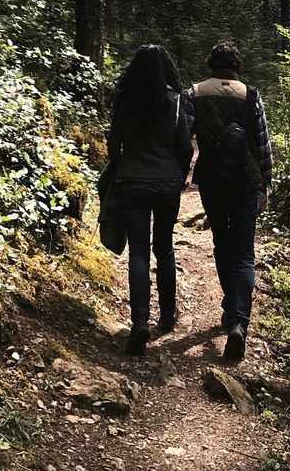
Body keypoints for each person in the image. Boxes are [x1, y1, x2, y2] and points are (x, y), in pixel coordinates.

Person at [188, 41, 273, 362]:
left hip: (212, 180)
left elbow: (185, 136)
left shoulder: (195, 93)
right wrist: (267, 182)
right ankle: (238, 319)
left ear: (211, 63)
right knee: (244, 252)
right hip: (246, 181)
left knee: (222, 244)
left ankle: (230, 305)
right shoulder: (251, 95)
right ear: (237, 64)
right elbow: (263, 143)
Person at [107, 44, 194, 357]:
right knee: (165, 248)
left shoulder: (125, 102)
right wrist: (180, 175)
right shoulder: (174, 101)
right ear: (166, 69)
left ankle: (140, 320)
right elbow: (185, 147)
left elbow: (113, 145)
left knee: (139, 251)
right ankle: (168, 317)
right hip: (167, 184)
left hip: (131, 182)